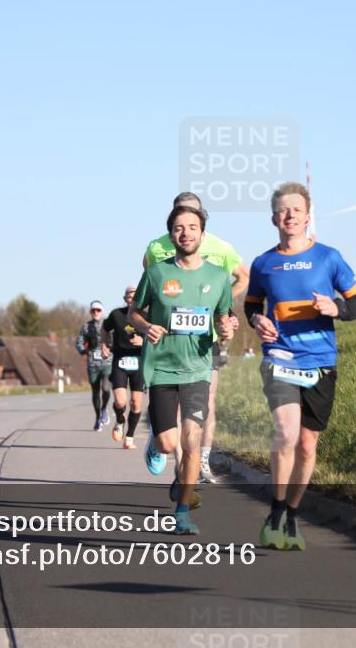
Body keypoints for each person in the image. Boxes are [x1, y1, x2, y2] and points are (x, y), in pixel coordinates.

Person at [245, 182, 356, 551]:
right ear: (273, 219)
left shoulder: (329, 258)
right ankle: (275, 512)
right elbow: (251, 306)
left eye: (296, 210)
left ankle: (294, 514)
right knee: (286, 432)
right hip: (279, 358)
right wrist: (256, 322)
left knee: (307, 444)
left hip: (320, 362)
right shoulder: (263, 263)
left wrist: (338, 309)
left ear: (307, 215)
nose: (289, 216)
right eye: (282, 211)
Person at [129, 205, 234, 535]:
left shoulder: (218, 277)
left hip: (198, 369)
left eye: (192, 227)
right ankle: (155, 442)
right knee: (167, 442)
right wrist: (146, 327)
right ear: (170, 234)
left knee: (191, 441)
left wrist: (228, 327)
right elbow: (134, 313)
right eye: (178, 227)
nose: (185, 232)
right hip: (161, 369)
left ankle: (183, 510)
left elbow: (225, 317)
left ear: (203, 234)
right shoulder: (157, 273)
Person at [143, 192, 248, 487]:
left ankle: (198, 461)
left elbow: (243, 277)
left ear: (202, 222)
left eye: (193, 218)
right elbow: (151, 286)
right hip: (169, 344)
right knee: (172, 412)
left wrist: (222, 311)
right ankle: (175, 457)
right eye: (180, 216)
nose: (186, 229)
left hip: (205, 339)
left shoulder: (220, 247)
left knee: (207, 403)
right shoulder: (157, 247)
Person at [102, 285, 145, 449]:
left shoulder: (146, 316)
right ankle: (120, 420)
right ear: (125, 298)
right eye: (129, 296)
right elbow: (104, 329)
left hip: (139, 360)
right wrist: (104, 345)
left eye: (135, 296)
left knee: (136, 403)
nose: (132, 299)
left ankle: (130, 437)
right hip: (120, 360)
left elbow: (157, 336)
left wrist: (143, 341)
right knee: (120, 401)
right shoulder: (116, 314)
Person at [75, 301, 112, 431]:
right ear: (91, 312)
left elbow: (116, 339)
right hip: (93, 364)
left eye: (98, 310)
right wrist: (84, 352)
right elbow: (79, 342)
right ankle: (97, 418)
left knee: (106, 388)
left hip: (107, 362)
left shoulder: (109, 324)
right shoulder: (86, 326)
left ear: (102, 311)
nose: (96, 312)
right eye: (93, 311)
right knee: (95, 391)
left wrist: (111, 349)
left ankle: (104, 409)